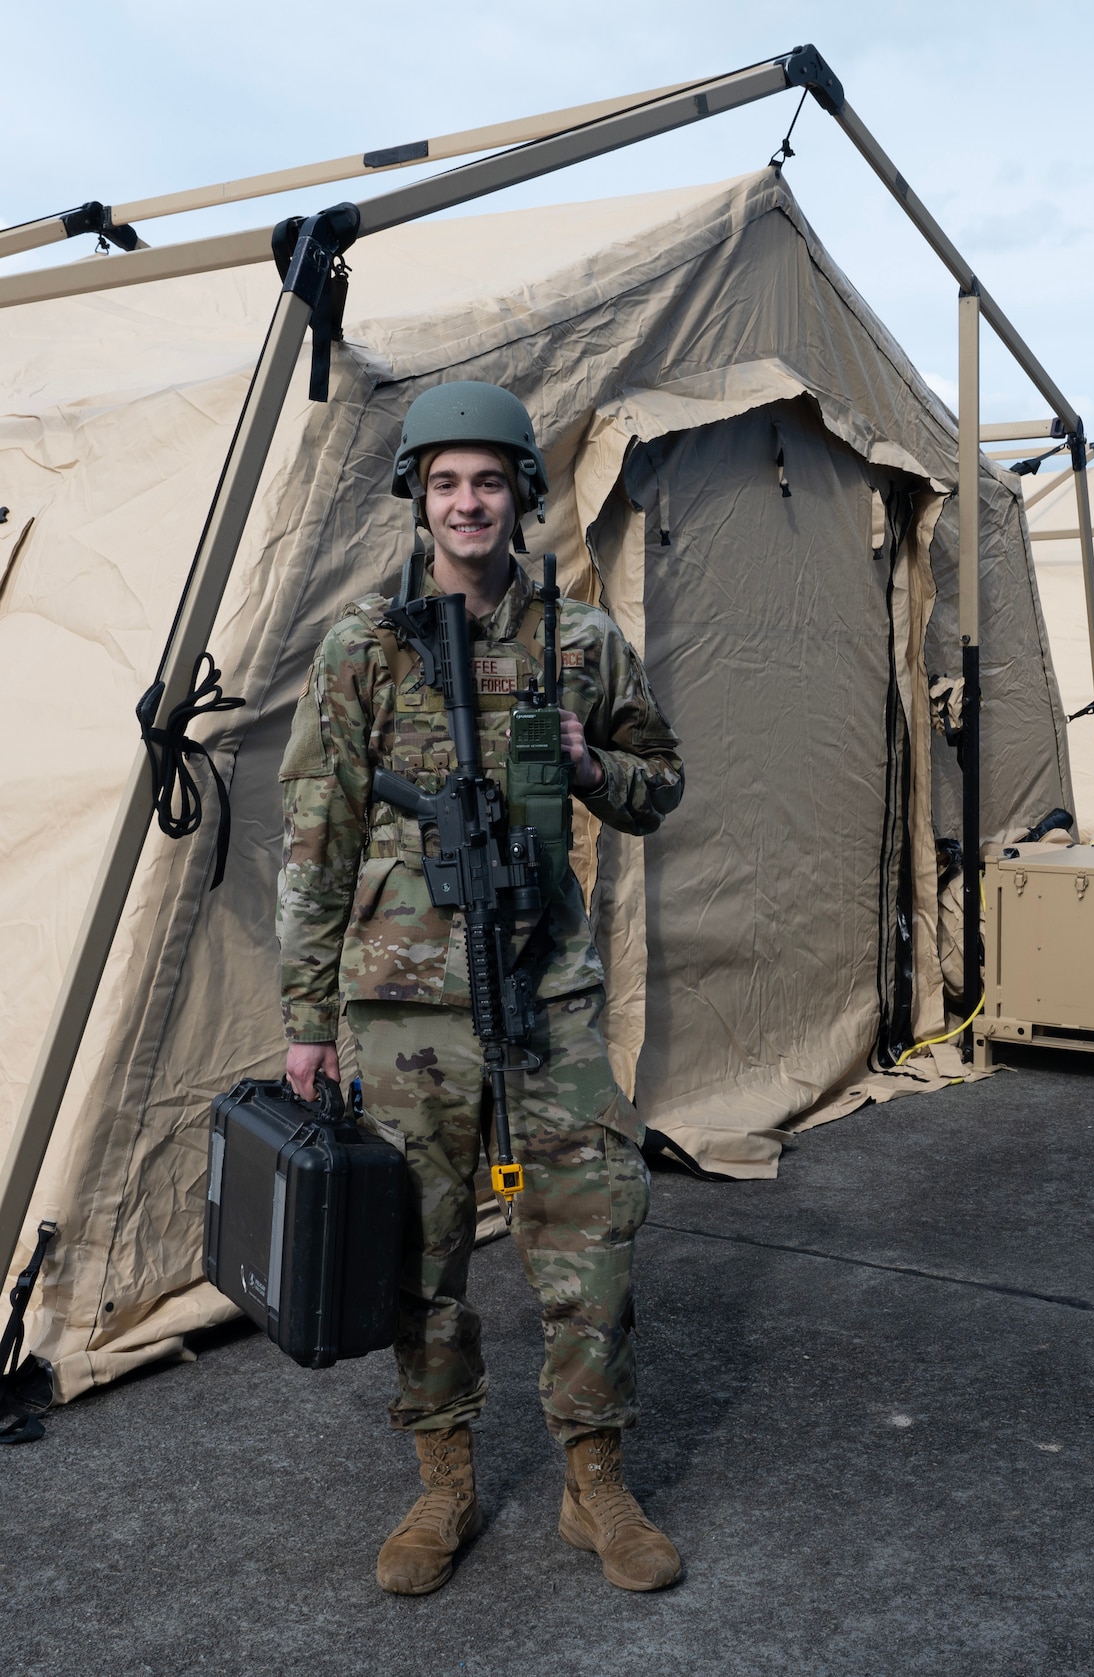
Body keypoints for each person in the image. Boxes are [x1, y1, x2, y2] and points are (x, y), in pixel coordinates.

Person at [275, 381, 686, 1596]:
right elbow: (317, 839)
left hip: (547, 997)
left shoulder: (582, 643)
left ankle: (591, 1481)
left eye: (489, 482)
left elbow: (660, 787)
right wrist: (306, 1020)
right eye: (446, 482)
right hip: (403, 1011)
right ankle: (443, 1485)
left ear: (520, 497)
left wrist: (585, 758)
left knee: (593, 1233)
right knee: (419, 1257)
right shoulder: (362, 650)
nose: (468, 503)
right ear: (420, 497)